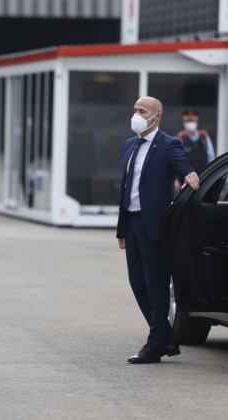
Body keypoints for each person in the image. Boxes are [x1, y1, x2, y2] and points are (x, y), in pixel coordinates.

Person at [116, 96, 199, 364]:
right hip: (132, 223)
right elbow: (125, 189)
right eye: (135, 110)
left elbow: (181, 165)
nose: (137, 115)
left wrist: (188, 174)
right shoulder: (129, 145)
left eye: (142, 111)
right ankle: (165, 337)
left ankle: (155, 344)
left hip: (154, 225)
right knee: (137, 282)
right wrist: (122, 229)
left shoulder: (169, 144)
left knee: (156, 285)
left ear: (157, 117)